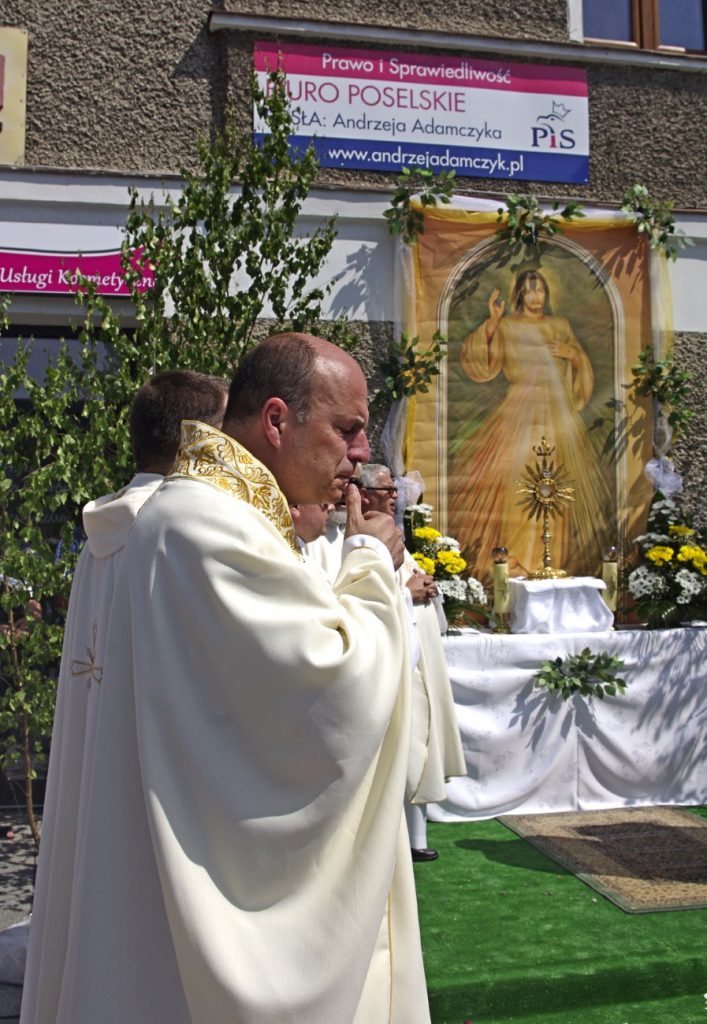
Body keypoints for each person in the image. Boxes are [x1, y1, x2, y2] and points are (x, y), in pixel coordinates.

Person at [33, 334, 430, 1024]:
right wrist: (369, 561)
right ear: (276, 420)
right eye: (346, 429)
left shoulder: (221, 515)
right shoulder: (205, 525)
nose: (362, 452)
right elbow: (334, 694)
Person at [20, 369, 229, 1024]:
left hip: (104, 750)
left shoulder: (105, 528)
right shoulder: (176, 533)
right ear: (202, 440)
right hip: (157, 776)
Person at [449, 268, 613, 576]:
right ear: (520, 295)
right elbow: (482, 364)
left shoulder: (559, 325)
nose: (535, 296)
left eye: (540, 290)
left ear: (547, 294)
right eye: (529, 290)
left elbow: (581, 366)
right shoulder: (508, 325)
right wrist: (492, 322)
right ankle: (515, 560)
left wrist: (573, 355)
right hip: (519, 414)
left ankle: (549, 561)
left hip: (556, 416)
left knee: (556, 483)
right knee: (518, 481)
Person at [357, 464, 466, 863]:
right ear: (363, 494)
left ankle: (416, 837)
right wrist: (405, 593)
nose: (395, 496)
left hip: (418, 650)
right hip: (388, 661)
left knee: (419, 742)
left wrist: (425, 588)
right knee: (403, 747)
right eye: (387, 489)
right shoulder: (355, 538)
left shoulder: (393, 534)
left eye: (395, 490)